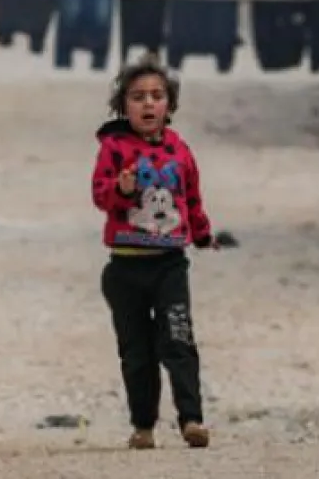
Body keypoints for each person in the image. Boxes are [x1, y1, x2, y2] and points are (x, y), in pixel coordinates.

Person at [90, 54, 219, 450]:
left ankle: (191, 419)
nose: (148, 104)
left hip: (169, 266)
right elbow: (100, 195)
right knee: (137, 352)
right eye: (138, 97)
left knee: (178, 339)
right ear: (123, 105)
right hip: (125, 269)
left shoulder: (180, 151)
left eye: (157, 96)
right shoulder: (113, 148)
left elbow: (192, 198)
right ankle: (143, 426)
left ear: (169, 105)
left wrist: (201, 233)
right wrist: (123, 190)